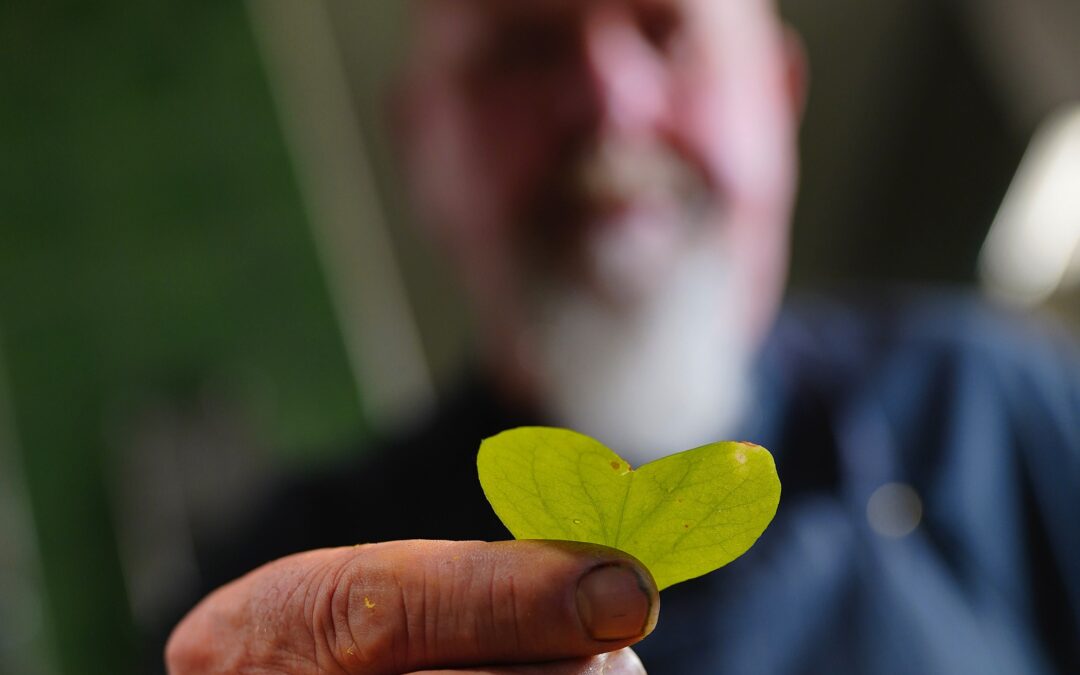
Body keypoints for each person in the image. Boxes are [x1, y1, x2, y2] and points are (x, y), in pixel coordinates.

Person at [165, 0, 1080, 673]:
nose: (608, 99)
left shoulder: (999, 404)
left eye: (666, 29)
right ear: (424, 147)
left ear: (779, 91)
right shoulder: (296, 558)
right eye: (522, 49)